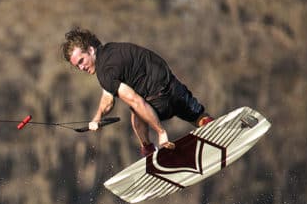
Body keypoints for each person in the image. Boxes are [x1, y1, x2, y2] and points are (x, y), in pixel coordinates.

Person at [61, 28, 213, 157]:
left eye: (81, 61)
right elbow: (108, 97)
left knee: (135, 113)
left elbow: (135, 100)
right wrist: (98, 117)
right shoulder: (113, 50)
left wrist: (160, 131)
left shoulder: (104, 74)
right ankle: (210, 126)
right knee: (200, 118)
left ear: (90, 50)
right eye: (77, 66)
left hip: (158, 102)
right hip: (175, 89)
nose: (81, 68)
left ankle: (149, 151)